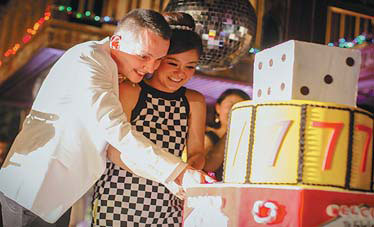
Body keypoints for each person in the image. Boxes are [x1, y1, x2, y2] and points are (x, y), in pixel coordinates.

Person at [0, 8, 210, 226]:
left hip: (57, 197)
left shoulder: (114, 70)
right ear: (117, 42)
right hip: (30, 187)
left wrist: (172, 180)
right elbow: (115, 130)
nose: (150, 68)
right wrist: (179, 171)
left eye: (157, 59)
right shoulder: (88, 62)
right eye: (144, 56)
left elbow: (120, 150)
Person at [91, 12, 207, 226]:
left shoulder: (194, 101)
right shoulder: (130, 90)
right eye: (173, 63)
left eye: (190, 66)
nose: (181, 73)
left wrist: (190, 169)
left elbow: (198, 151)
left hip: (169, 199)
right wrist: (171, 173)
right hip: (120, 196)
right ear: (159, 60)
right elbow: (114, 151)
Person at [203, 89, 251, 181]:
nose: (235, 111)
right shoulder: (207, 135)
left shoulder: (245, 139)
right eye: (231, 105)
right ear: (218, 108)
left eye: (240, 107)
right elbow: (209, 166)